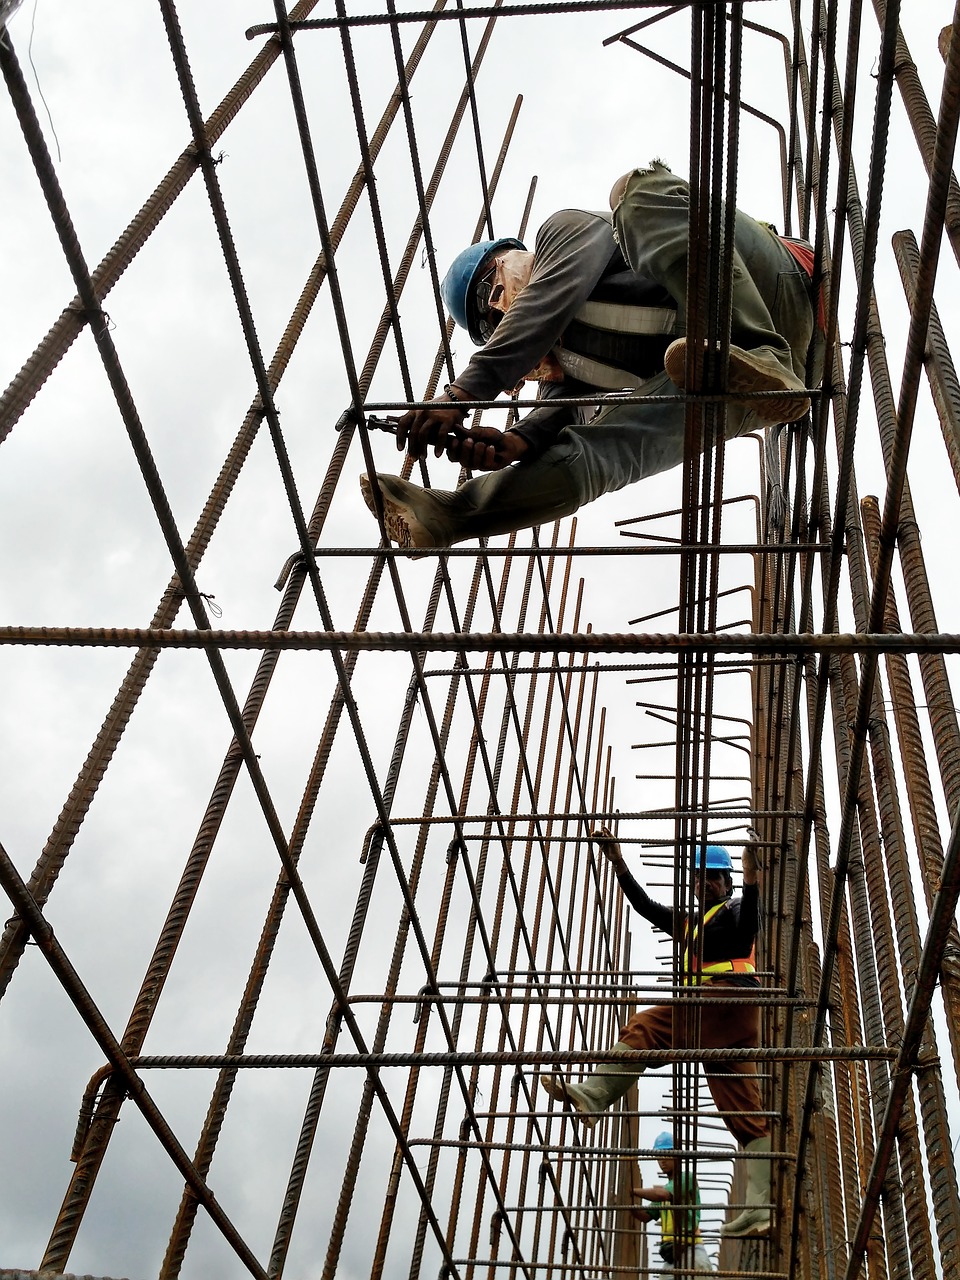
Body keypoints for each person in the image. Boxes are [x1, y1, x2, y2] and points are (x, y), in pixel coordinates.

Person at [360, 160, 822, 552]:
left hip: (780, 282)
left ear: (515, 255)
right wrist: (514, 443)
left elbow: (545, 304)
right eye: (485, 324)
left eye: (489, 286)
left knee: (637, 191)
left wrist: (461, 392)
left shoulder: (567, 234)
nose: (496, 306)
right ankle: (454, 515)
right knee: (603, 449)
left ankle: (762, 352)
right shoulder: (565, 374)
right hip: (762, 387)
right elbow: (551, 419)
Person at [540, 828, 771, 1239]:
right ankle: (761, 1209)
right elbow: (647, 907)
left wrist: (752, 877)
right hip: (726, 1025)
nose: (705, 884)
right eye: (699, 879)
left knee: (646, 1027)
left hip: (725, 1000)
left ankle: (593, 1095)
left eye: (713, 877)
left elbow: (749, 925)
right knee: (745, 1116)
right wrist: (619, 864)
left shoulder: (734, 910)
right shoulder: (690, 923)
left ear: (727, 882)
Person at [631, 1130, 715, 1273]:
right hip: (672, 1254)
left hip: (691, 1250)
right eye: (658, 1156)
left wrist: (633, 1191)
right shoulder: (665, 1192)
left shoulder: (685, 1179)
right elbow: (646, 1216)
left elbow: (662, 1194)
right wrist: (628, 1206)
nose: (662, 1160)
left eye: (667, 1154)